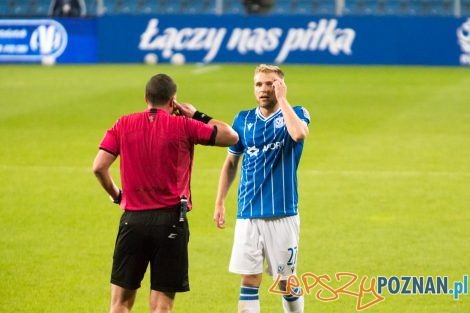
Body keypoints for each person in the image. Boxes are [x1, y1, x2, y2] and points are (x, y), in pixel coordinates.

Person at [93, 73, 238, 313]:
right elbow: (230, 136)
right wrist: (195, 114)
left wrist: (117, 195)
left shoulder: (123, 124)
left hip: (133, 220)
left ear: (145, 98)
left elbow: (99, 167)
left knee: (120, 304)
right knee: (162, 306)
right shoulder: (184, 125)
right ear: (173, 101)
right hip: (171, 222)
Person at [214, 64, 310, 313]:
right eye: (259, 84)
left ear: (280, 86)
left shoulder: (297, 113)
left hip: (283, 213)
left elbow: (299, 134)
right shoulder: (243, 120)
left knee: (286, 282)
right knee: (249, 280)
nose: (264, 89)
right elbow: (231, 163)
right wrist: (220, 201)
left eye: (270, 84)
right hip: (248, 214)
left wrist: (283, 100)